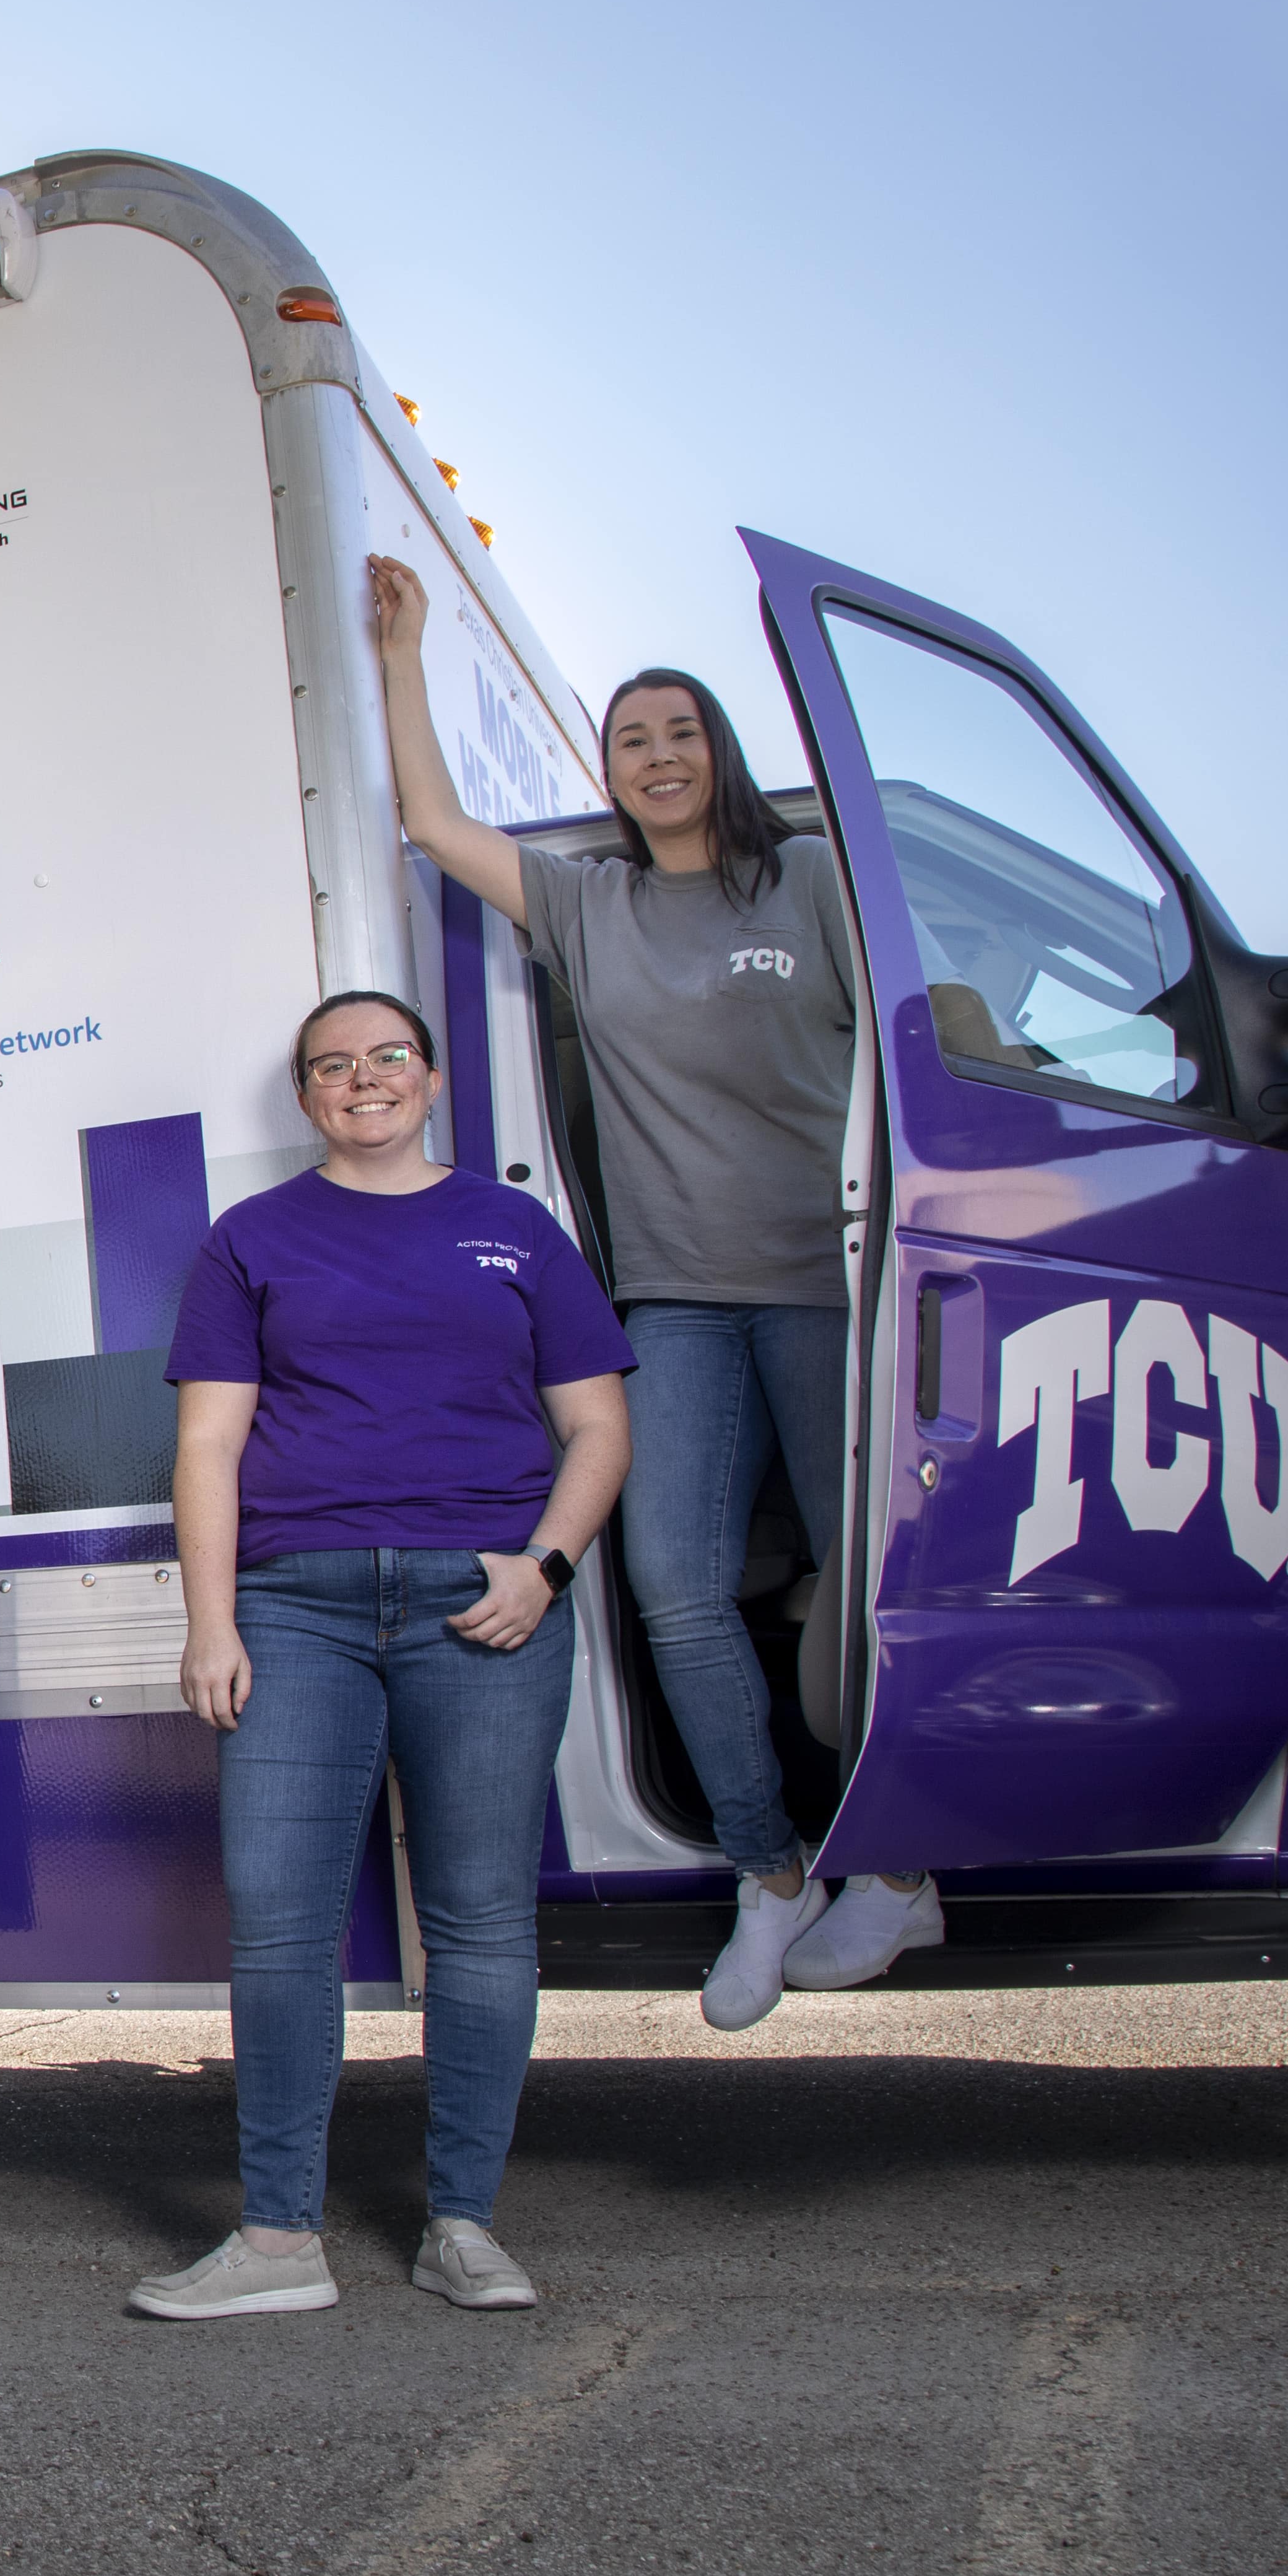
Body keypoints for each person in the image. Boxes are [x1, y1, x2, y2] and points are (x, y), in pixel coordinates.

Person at [369, 552, 931, 2024]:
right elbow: (431, 821)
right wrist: (404, 650)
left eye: (681, 730)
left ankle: (899, 1866)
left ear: (719, 752)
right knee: (676, 1584)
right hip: (675, 1301)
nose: (660, 755)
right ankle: (771, 1874)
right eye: (632, 739)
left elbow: (932, 1024)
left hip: (832, 1282)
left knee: (871, 1587)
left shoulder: (810, 879)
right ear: (610, 775)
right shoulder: (587, 906)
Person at [137, 992, 633, 2321]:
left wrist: (546, 1566)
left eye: (389, 1058)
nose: (365, 1080)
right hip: (296, 1608)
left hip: (486, 1602)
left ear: (429, 1078)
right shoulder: (252, 1239)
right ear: (308, 1096)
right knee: (281, 1920)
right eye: (334, 1066)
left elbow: (597, 1427)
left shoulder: (516, 1229)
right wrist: (212, 1617)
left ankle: (462, 2224)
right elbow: (209, 1448)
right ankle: (279, 2242)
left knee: (478, 1920)